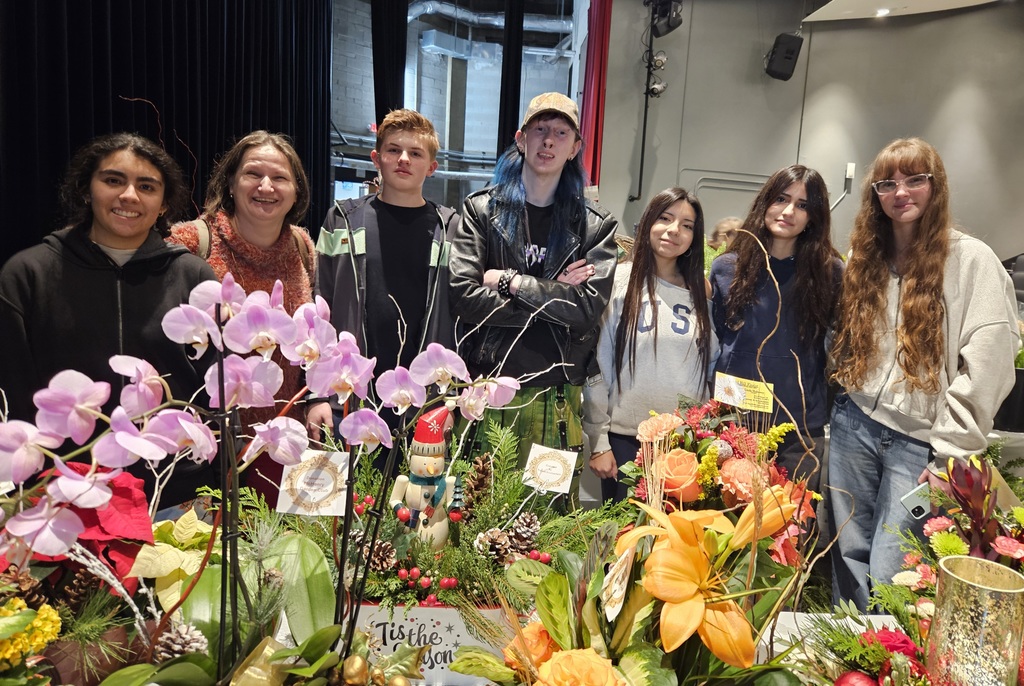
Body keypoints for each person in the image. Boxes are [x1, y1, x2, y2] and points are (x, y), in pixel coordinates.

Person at [829, 138, 1020, 610]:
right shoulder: (863, 259)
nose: (901, 192)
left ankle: (886, 664)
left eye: (916, 180)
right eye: (888, 183)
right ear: (875, 194)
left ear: (936, 187)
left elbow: (990, 361)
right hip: (854, 426)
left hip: (920, 443)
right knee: (846, 554)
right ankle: (845, 663)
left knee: (894, 567)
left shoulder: (972, 261)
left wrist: (951, 454)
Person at [0, 132, 219, 509]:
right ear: (87, 189)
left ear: (164, 204)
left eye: (146, 186)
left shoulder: (194, 277)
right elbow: (12, 389)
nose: (129, 195)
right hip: (65, 488)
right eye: (113, 180)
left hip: (175, 492)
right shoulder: (29, 275)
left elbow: (216, 387)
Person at [448, 92, 619, 508]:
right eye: (540, 130)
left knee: (544, 522)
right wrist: (555, 291)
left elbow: (583, 312)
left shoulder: (596, 228)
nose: (548, 141)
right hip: (487, 389)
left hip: (556, 396)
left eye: (560, 133)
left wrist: (510, 281)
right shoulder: (480, 211)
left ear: (575, 147)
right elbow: (464, 296)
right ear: (521, 139)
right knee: (473, 514)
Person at [168, 131, 330, 505]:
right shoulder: (192, 242)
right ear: (230, 181)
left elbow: (315, 337)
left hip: (284, 432)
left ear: (296, 190)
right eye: (253, 174)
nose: (266, 187)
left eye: (280, 178)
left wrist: (318, 394)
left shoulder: (302, 247)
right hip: (209, 439)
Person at [316, 109, 459, 447]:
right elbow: (318, 304)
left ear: (432, 166)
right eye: (393, 150)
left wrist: (450, 400)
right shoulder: (342, 220)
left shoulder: (451, 229)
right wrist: (316, 396)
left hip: (426, 403)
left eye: (416, 153)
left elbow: (462, 320)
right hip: (350, 395)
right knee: (354, 498)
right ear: (376, 158)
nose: (403, 159)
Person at [709, 165, 843, 493]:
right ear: (764, 202)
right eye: (781, 199)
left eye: (802, 204)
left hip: (799, 430)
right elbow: (719, 338)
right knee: (729, 533)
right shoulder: (727, 267)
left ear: (814, 216)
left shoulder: (831, 273)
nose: (788, 211)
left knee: (792, 532)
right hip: (735, 422)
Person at [583, 187, 719, 503]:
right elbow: (597, 367)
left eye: (687, 225)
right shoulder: (617, 281)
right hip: (625, 440)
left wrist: (707, 434)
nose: (675, 231)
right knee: (625, 543)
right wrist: (599, 440)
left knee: (676, 546)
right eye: (666, 218)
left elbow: (709, 365)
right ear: (648, 223)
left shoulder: (701, 291)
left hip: (685, 444)